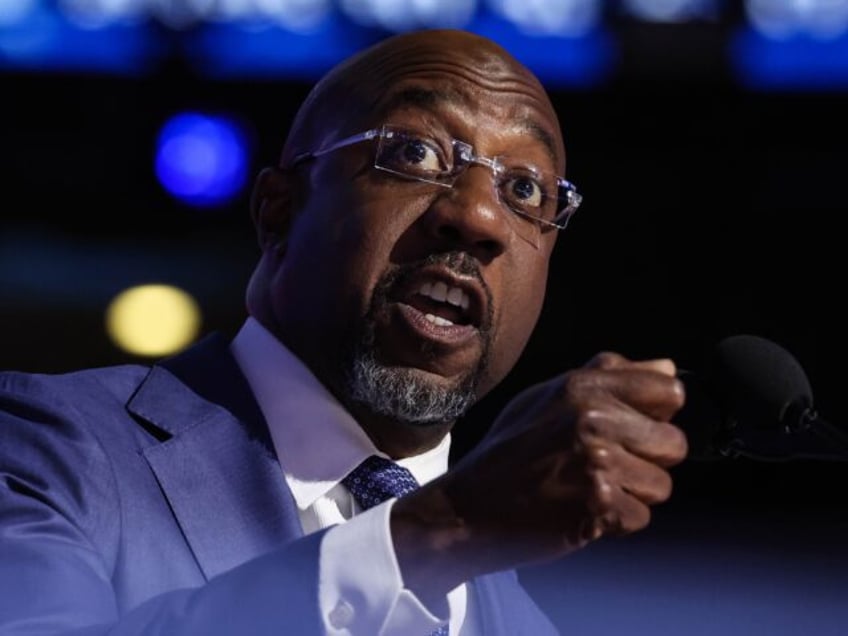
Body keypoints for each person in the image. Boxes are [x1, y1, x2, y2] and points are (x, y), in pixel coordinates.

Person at [0, 28, 688, 635]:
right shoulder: (45, 451)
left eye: (526, 191)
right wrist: (437, 530)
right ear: (277, 213)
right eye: (416, 152)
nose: (478, 217)